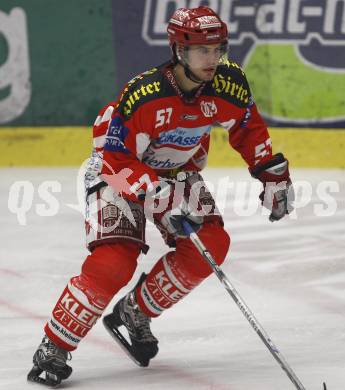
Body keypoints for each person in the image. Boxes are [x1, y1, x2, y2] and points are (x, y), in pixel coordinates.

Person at [28, 6, 293, 387]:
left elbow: (248, 128)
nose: (213, 59)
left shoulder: (229, 83)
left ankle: (135, 311)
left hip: (177, 170)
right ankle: (53, 345)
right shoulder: (144, 93)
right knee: (115, 260)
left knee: (211, 243)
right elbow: (115, 156)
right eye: (203, 51)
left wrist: (272, 173)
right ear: (179, 51)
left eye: (218, 49)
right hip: (118, 171)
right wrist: (155, 195)